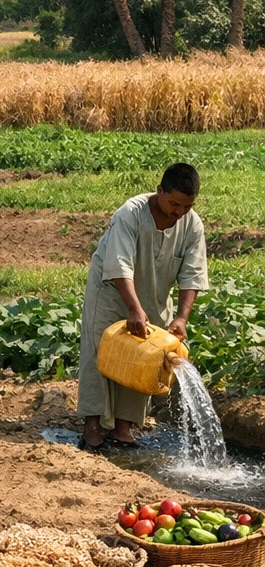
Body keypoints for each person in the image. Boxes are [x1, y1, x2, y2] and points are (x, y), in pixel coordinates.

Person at [77, 163, 208, 452]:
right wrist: (134, 310)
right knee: (99, 351)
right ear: (159, 191)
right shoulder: (130, 214)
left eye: (186, 206)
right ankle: (92, 428)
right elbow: (119, 265)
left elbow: (193, 275)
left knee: (143, 357)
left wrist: (182, 318)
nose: (179, 212)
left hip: (155, 295)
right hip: (111, 290)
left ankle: (123, 428)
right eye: (174, 203)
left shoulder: (192, 224)